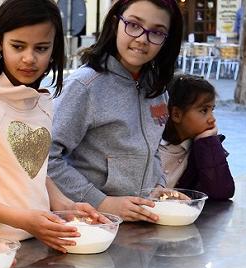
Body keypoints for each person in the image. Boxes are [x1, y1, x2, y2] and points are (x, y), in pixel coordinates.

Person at [0, 0, 103, 253]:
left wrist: (64, 205)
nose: (29, 58)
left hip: (40, 243)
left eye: (41, 48)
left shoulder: (42, 100)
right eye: (18, 46)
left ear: (54, 49)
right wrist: (24, 220)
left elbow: (31, 169)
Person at [48, 0, 183, 222]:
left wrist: (158, 187)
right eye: (134, 25)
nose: (142, 38)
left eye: (157, 32)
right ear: (115, 24)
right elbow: (45, 157)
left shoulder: (158, 90)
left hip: (142, 221)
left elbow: (153, 148)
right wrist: (101, 202)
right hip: (91, 224)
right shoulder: (85, 86)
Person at [159, 74, 234, 200]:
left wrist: (207, 142)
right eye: (204, 110)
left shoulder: (203, 148)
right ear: (176, 114)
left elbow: (222, 192)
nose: (212, 119)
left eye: (212, 110)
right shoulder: (150, 144)